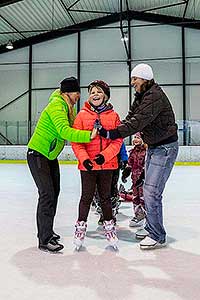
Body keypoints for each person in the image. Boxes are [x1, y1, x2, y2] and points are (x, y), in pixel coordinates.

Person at [98, 63, 179, 250]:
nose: (132, 82)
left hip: (165, 148)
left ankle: (157, 234)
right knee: (147, 190)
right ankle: (152, 227)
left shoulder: (154, 96)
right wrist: (113, 130)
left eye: (135, 78)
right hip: (155, 147)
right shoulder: (142, 96)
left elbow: (137, 122)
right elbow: (130, 118)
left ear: (145, 78)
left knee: (151, 191)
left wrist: (112, 134)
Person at [27, 77, 97, 253]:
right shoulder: (57, 106)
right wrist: (89, 136)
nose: (78, 96)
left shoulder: (68, 107)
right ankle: (44, 239)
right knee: (47, 195)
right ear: (68, 93)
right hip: (38, 154)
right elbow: (65, 131)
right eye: (76, 93)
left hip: (49, 156)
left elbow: (75, 126)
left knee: (54, 193)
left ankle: (48, 231)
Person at [71, 80, 123, 250]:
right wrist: (84, 159)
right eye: (92, 92)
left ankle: (109, 229)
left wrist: (105, 156)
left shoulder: (114, 116)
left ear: (105, 96)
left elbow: (118, 140)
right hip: (88, 166)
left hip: (107, 165)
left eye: (99, 92)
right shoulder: (81, 115)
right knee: (86, 198)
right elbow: (76, 141)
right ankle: (80, 228)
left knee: (106, 199)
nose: (95, 94)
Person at [94, 141, 128, 225]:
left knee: (112, 187)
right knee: (99, 188)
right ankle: (103, 212)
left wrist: (124, 159)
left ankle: (111, 212)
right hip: (98, 163)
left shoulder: (113, 131)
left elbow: (120, 143)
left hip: (114, 163)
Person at [120, 132, 147, 227]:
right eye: (134, 137)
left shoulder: (146, 152)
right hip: (135, 181)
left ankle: (147, 217)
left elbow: (147, 166)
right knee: (136, 198)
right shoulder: (132, 152)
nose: (135, 139)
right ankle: (138, 216)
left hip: (144, 181)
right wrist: (126, 173)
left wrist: (142, 177)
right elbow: (130, 164)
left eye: (138, 138)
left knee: (144, 198)